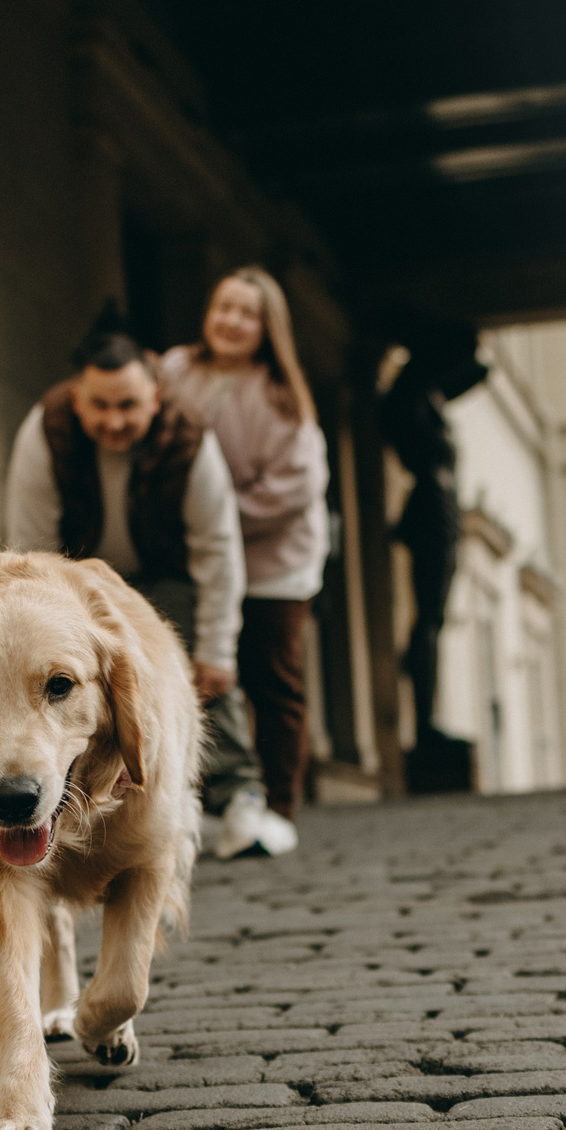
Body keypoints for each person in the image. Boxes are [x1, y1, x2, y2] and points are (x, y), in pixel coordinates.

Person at [4, 324, 263, 837]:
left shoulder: (190, 440)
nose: (114, 420)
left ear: (156, 395)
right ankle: (68, 796)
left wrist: (216, 652)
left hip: (165, 580)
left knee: (202, 669)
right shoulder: (45, 430)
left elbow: (219, 554)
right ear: (77, 397)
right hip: (73, 582)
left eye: (128, 405)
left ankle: (238, 794)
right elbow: (32, 550)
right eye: (100, 406)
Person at [159, 268, 326, 857]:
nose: (231, 321)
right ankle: (211, 798)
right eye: (223, 307)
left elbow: (295, 487)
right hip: (198, 559)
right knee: (202, 676)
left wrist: (218, 517)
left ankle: (278, 806)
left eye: (246, 313)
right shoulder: (175, 371)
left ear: (266, 328)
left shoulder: (283, 397)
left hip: (274, 564)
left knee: (272, 681)